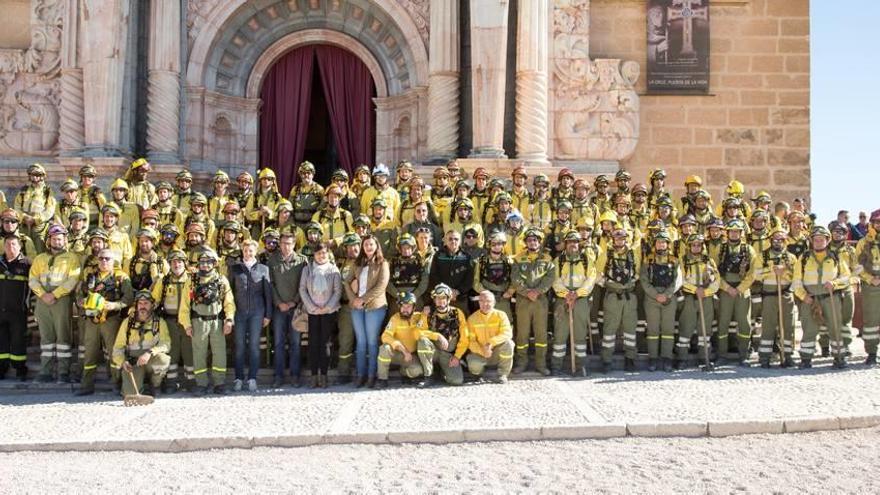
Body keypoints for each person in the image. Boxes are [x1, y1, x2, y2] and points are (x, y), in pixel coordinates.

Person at [75, 248, 134, 395]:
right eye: (101, 258)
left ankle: (117, 384)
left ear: (113, 261)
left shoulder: (121, 277)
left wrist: (115, 305)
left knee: (115, 353)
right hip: (91, 321)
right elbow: (79, 294)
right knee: (89, 353)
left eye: (107, 259)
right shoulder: (90, 277)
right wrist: (80, 302)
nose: (104, 261)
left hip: (111, 320)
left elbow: (129, 298)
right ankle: (86, 386)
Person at [792, 226, 851, 370]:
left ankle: (839, 358)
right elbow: (796, 281)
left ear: (827, 240)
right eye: (816, 240)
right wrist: (803, 296)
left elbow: (846, 277)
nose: (818, 242)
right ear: (811, 241)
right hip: (810, 299)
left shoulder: (835, 256)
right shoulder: (804, 258)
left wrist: (835, 283)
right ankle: (806, 359)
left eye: (821, 240)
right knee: (809, 329)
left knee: (835, 327)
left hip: (831, 297)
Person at [28, 224, 81, 382]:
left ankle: (63, 372)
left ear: (65, 240)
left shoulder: (72, 258)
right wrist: (43, 295)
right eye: (54, 239)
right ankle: (45, 371)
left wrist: (55, 294)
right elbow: (32, 279)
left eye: (60, 239)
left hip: (61, 300)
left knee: (63, 336)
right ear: (49, 240)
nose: (57, 242)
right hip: (42, 300)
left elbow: (73, 279)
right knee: (46, 337)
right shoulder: (40, 258)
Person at [179, 248, 235, 395]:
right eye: (202, 262)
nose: (205, 265)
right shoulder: (191, 281)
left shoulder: (222, 280)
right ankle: (201, 383)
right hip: (198, 321)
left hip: (217, 322)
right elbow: (184, 305)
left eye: (208, 262)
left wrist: (229, 320)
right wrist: (186, 324)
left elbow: (229, 302)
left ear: (214, 264)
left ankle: (219, 383)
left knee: (219, 352)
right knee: (199, 353)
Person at [343, 234, 389, 388]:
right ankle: (360, 375)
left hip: (374, 307)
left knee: (371, 341)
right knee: (361, 342)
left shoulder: (382, 264)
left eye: (371, 244)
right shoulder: (357, 263)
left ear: (376, 246)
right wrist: (353, 300)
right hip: (357, 307)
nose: (368, 247)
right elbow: (347, 282)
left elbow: (381, 287)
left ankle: (371, 375)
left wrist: (363, 299)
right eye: (366, 245)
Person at [228, 240, 272, 392]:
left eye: (251, 251)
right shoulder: (235, 269)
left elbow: (268, 294)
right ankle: (239, 378)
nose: (248, 253)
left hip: (257, 312)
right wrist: (229, 314)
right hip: (239, 313)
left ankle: (252, 378)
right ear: (242, 251)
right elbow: (230, 293)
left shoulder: (263, 269)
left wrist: (268, 315)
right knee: (239, 346)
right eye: (246, 250)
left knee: (254, 346)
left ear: (256, 252)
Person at [511, 227, 556, 375]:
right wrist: (526, 292)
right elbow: (515, 278)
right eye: (529, 240)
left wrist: (537, 291)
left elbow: (550, 278)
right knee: (522, 333)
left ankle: (541, 364)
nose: (532, 242)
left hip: (540, 300)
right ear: (525, 242)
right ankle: (521, 363)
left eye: (535, 240)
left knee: (541, 334)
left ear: (539, 242)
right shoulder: (518, 258)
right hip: (523, 300)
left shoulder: (547, 259)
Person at [551, 231, 596, 377]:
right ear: (565, 244)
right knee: (560, 333)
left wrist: (577, 293)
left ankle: (580, 366)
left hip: (580, 299)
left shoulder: (586, 259)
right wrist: (566, 294)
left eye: (575, 242)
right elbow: (555, 280)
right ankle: (556, 365)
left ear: (579, 244)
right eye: (570, 242)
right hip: (562, 299)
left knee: (580, 333)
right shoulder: (558, 260)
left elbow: (591, 279)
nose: (573, 244)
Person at [713, 219, 756, 367]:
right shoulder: (720, 249)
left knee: (744, 323)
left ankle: (743, 354)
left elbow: (752, 273)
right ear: (727, 232)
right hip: (725, 290)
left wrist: (739, 289)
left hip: (742, 291)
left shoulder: (748, 249)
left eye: (737, 231)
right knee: (723, 322)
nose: (734, 234)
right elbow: (714, 272)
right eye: (732, 231)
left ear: (741, 233)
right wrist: (726, 288)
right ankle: (722, 355)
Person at [267, 229, 308, 387]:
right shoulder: (272, 261)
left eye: (289, 244)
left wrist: (293, 302)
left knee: (295, 344)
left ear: (294, 244)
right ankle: (278, 376)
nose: (286, 246)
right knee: (278, 343)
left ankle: (295, 376)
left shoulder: (302, 261)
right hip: (279, 309)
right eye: (283, 243)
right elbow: (270, 284)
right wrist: (279, 303)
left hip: (296, 309)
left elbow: (303, 285)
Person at [112, 290, 171, 397]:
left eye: (146, 303)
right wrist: (123, 362)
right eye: (140, 303)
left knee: (163, 359)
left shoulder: (159, 322)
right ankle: (130, 383)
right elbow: (117, 348)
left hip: (150, 359)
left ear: (152, 305)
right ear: (136, 305)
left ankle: (155, 384)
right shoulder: (127, 322)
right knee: (130, 394)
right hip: (133, 363)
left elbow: (166, 344)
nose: (143, 306)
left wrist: (150, 352)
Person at [299, 243, 342, 388]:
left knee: (324, 343)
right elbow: (302, 289)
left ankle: (323, 375)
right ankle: (313, 376)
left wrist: (328, 307)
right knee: (313, 343)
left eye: (324, 253)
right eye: (318, 253)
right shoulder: (308, 269)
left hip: (328, 311)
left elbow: (337, 291)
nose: (321, 256)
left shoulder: (333, 270)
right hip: (312, 311)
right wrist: (311, 307)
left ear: (328, 253)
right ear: (314, 255)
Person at [754, 227, 797, 369]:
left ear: (785, 241)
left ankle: (788, 355)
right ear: (771, 240)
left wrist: (784, 271)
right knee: (768, 325)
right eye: (775, 239)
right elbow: (757, 274)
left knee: (787, 325)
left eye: (781, 239)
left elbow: (797, 277)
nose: (778, 242)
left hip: (785, 294)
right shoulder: (763, 256)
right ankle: (765, 356)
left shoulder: (791, 258)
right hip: (769, 295)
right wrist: (771, 270)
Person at [640, 230, 682, 372]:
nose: (661, 244)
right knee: (652, 329)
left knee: (668, 329)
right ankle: (653, 358)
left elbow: (678, 280)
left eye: (664, 242)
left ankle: (667, 358)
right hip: (652, 298)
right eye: (658, 242)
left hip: (669, 297)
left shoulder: (674, 260)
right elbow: (644, 280)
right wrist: (655, 295)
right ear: (654, 244)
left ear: (668, 244)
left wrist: (667, 294)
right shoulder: (648, 260)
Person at [151, 249, 192, 393]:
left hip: (188, 322)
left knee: (189, 351)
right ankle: (171, 382)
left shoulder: (192, 279)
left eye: (180, 261)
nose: (176, 264)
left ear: (185, 263)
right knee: (172, 352)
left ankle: (190, 382)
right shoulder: (164, 280)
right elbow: (154, 300)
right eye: (174, 262)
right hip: (169, 321)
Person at [677, 234, 720, 369]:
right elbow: (681, 280)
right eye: (693, 245)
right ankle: (682, 358)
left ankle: (704, 357)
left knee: (705, 329)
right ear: (689, 247)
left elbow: (717, 280)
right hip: (690, 296)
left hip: (706, 297)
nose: (696, 247)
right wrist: (695, 290)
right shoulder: (683, 260)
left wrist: (706, 292)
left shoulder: (709, 261)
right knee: (686, 327)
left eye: (699, 245)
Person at [417, 283, 468, 386]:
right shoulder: (427, 313)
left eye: (444, 298)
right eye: (437, 298)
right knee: (422, 341)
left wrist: (457, 357)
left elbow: (465, 338)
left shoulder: (458, 313)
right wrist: (438, 336)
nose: (441, 301)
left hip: (448, 354)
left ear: (449, 299)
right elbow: (418, 332)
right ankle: (429, 375)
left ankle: (441, 370)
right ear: (434, 300)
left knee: (456, 381)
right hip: (434, 352)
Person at [376, 291, 429, 388]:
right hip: (397, 353)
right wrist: (403, 351)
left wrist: (425, 314)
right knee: (384, 348)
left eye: (409, 306)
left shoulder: (418, 316)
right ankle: (382, 379)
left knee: (418, 371)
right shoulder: (394, 318)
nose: (405, 309)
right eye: (403, 306)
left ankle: (403, 372)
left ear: (414, 307)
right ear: (399, 307)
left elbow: (425, 331)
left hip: (412, 356)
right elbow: (385, 336)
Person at [0, 235, 31, 381]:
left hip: (19, 311)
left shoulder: (27, 264)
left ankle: (20, 369)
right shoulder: (0, 262)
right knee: (1, 341)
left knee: (18, 340)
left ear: (19, 247)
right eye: (7, 244)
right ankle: (2, 368)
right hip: (1, 310)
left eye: (13, 244)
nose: (10, 247)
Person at [466, 290, 514, 384]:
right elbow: (470, 341)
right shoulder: (472, 318)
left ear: (494, 303)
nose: (485, 304)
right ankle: (477, 375)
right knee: (473, 363)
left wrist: (490, 343)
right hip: (480, 352)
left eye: (488, 301)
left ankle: (503, 374)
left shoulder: (501, 315)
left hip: (495, 351)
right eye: (482, 301)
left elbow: (507, 333)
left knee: (509, 344)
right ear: (478, 302)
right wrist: (482, 351)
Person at [335, 233, 361, 383]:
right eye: (350, 246)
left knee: (364, 341)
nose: (353, 249)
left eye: (356, 245)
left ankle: (362, 372)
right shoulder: (340, 264)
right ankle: (343, 372)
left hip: (364, 307)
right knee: (345, 340)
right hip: (346, 308)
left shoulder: (366, 262)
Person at [427, 230, 474, 311]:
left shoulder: (467, 257)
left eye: (456, 239)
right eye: (450, 239)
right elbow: (433, 276)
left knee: (461, 321)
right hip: (441, 298)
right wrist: (445, 291)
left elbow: (469, 279)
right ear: (445, 240)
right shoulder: (438, 255)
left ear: (460, 241)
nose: (453, 241)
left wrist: (458, 291)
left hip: (459, 298)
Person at [857, 210, 880, 366]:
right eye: (876, 222)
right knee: (871, 321)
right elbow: (857, 267)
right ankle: (871, 353)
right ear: (871, 223)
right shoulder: (863, 242)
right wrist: (870, 278)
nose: (878, 225)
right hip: (871, 286)